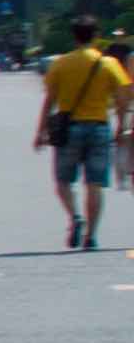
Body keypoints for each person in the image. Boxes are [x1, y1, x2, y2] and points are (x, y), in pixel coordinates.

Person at [36, 15, 131, 250]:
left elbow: (50, 100)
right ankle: (91, 235)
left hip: (69, 129)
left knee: (62, 181)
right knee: (95, 184)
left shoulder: (61, 64)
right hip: (99, 127)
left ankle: (74, 216)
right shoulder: (108, 64)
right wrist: (122, 124)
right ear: (96, 36)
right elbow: (122, 98)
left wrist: (41, 131)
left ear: (74, 36)